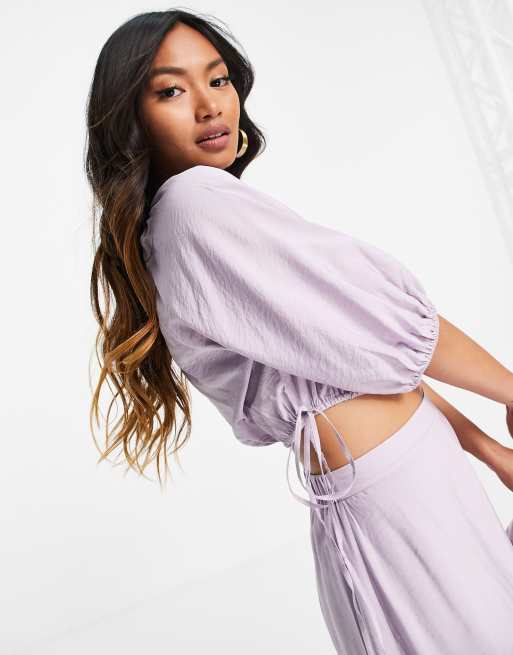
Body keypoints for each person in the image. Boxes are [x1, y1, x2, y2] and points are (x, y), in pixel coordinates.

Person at [87, 9, 513, 654]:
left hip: (414, 471)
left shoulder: (192, 220)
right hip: (393, 489)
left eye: (219, 80)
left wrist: (490, 451)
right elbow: (385, 328)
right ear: (132, 120)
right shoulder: (195, 205)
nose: (209, 105)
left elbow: (357, 362)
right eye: (171, 90)